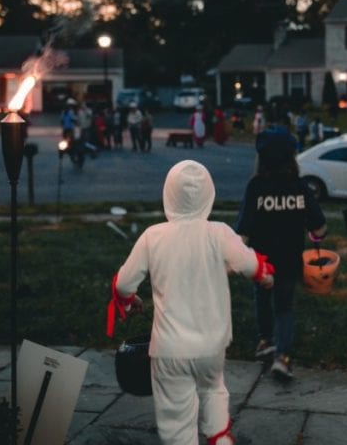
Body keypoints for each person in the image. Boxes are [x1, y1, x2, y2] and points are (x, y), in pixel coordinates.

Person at [107, 160, 274, 445]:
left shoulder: (153, 237)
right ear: (209, 195)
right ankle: (220, 438)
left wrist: (129, 298)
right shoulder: (219, 233)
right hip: (211, 346)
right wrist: (267, 276)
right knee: (213, 391)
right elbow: (254, 267)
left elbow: (123, 284)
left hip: (170, 350)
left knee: (176, 419)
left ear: (168, 195)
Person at [235, 126, 327, 381]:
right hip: (289, 260)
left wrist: (237, 257)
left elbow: (242, 231)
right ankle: (282, 358)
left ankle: (265, 341)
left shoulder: (255, 187)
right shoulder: (299, 187)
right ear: (292, 158)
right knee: (284, 306)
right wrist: (315, 236)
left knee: (262, 298)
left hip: (261, 261)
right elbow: (319, 226)